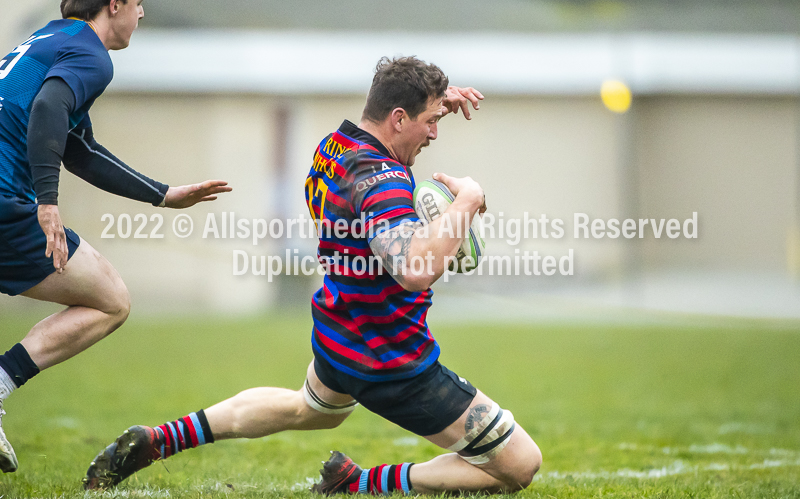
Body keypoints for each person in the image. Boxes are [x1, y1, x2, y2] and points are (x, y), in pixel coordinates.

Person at [83, 56, 542, 494]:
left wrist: (434, 98)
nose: (435, 134)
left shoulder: (334, 147)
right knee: (520, 463)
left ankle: (161, 438)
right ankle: (359, 483)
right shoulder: (381, 180)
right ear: (398, 119)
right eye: (430, 121)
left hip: (340, 327)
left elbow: (373, 222)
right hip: (389, 358)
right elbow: (414, 269)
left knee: (310, 408)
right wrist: (466, 201)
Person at [0, 0, 231, 473]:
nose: (142, 14)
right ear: (115, 4)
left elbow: (80, 150)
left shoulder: (50, 39)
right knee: (110, 299)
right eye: (139, 3)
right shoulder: (90, 54)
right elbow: (47, 107)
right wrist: (47, 202)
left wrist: (163, 195)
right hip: (4, 199)